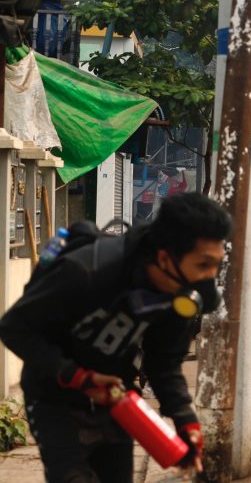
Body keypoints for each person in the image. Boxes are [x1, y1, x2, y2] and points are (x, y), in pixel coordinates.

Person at [0, 192, 232, 482]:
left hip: (115, 400)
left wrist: (185, 421)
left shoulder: (182, 294)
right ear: (164, 257)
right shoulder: (85, 272)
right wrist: (78, 377)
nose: (210, 276)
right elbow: (14, 327)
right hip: (54, 398)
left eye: (216, 265)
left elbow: (164, 363)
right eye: (203, 264)